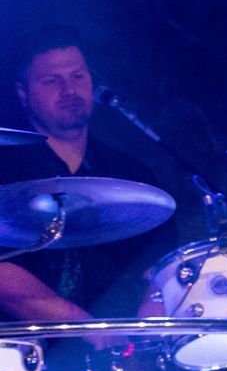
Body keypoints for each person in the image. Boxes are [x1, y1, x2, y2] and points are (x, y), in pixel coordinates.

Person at [0, 26, 190, 325]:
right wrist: (87, 331)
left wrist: (152, 310)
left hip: (124, 345)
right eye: (52, 81)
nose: (69, 91)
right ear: (23, 94)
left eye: (78, 76)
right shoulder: (7, 169)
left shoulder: (130, 175)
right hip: (25, 346)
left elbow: (162, 264)